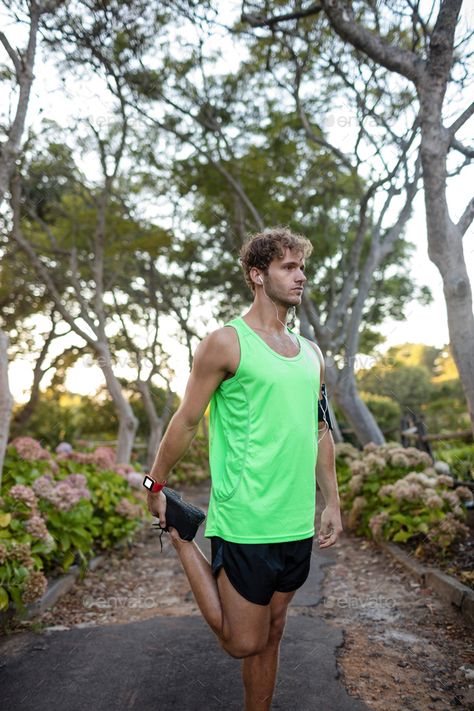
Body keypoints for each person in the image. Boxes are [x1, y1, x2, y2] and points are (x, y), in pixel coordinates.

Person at [146, 227, 343, 710]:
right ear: (258, 275)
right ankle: (180, 537)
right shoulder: (226, 343)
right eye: (288, 267)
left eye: (301, 267)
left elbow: (319, 431)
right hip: (246, 517)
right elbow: (188, 418)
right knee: (241, 641)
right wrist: (155, 483)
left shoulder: (311, 354)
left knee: (273, 633)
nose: (300, 277)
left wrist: (332, 501)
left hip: (294, 518)